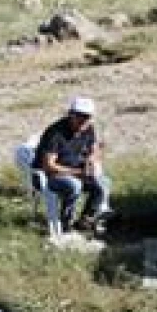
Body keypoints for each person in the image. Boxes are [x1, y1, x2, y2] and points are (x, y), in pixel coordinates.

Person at [34, 96, 113, 233]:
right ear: (71, 114)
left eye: (87, 116)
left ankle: (86, 220)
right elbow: (49, 165)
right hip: (52, 175)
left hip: (76, 170)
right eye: (79, 116)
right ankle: (65, 221)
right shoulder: (55, 133)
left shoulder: (88, 128)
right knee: (74, 185)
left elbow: (94, 149)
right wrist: (78, 173)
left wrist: (91, 160)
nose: (83, 120)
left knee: (102, 184)